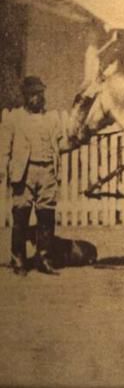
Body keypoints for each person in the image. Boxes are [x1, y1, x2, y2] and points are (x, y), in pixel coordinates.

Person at [0, 76, 70, 276]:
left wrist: (78, 140)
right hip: (24, 173)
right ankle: (18, 259)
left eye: (40, 94)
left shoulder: (52, 118)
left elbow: (62, 143)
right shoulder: (14, 118)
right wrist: (2, 169)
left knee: (46, 215)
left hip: (47, 171)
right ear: (25, 96)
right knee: (21, 215)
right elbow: (4, 147)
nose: (38, 98)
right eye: (33, 94)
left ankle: (44, 258)